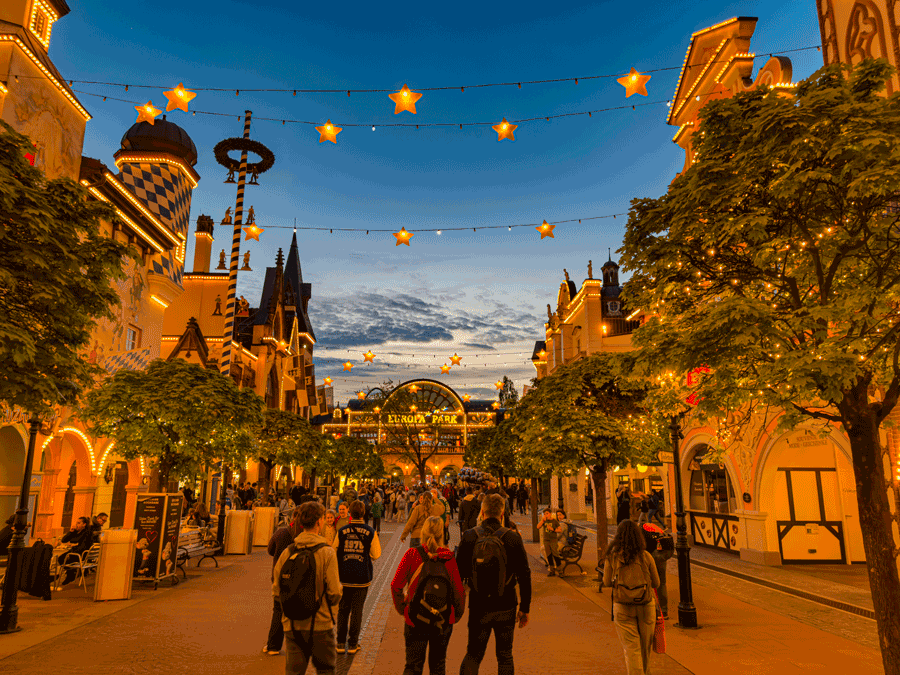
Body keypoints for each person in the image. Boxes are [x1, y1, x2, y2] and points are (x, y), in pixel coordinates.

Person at [456, 493, 532, 675]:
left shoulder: (470, 536)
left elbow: (459, 573)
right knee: (505, 655)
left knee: (474, 653)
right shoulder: (512, 537)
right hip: (506, 603)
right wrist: (525, 607)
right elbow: (524, 575)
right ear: (502, 513)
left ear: (482, 512)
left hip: (479, 604)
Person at [272, 501, 342, 675]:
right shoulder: (327, 553)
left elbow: (276, 589)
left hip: (293, 624)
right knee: (326, 670)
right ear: (319, 522)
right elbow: (334, 592)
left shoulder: (289, 552)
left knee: (294, 671)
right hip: (321, 624)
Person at [391, 516, 465, 675]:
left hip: (415, 617)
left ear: (423, 532)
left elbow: (396, 585)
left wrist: (403, 609)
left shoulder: (412, 554)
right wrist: (456, 615)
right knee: (438, 665)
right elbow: (459, 591)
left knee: (412, 666)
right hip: (443, 619)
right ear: (442, 534)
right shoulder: (448, 558)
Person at [603, 519, 660, 675]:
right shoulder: (646, 556)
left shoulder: (612, 556)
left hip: (622, 606)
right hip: (646, 605)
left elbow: (606, 582)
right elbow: (656, 582)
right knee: (645, 648)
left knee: (631, 648)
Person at [335, 500, 382, 654]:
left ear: (350, 513)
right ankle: (353, 643)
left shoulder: (342, 531)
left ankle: (340, 642)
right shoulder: (370, 531)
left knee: (343, 609)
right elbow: (376, 554)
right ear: (363, 513)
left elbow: (334, 550)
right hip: (362, 576)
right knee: (357, 610)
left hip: (344, 575)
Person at [266, 504, 303, 654]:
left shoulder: (281, 532)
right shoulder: (304, 536)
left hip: (280, 576)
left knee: (278, 610)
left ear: (292, 516)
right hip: (299, 577)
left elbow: (270, 550)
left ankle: (273, 646)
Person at [642, 522, 675, 620]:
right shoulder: (653, 527)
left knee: (649, 582)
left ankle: (653, 609)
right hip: (662, 553)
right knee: (662, 583)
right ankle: (664, 611)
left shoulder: (641, 530)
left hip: (653, 554)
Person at [57, 517, 94, 587]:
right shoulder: (76, 532)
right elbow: (64, 540)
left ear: (84, 524)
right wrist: (70, 532)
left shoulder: (87, 533)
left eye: (79, 523)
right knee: (60, 558)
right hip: (75, 552)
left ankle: (71, 575)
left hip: (81, 555)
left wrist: (73, 549)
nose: (76, 524)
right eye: (76, 523)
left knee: (65, 559)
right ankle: (71, 574)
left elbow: (83, 547)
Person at [539, 508, 563, 576]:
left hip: (553, 540)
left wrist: (553, 529)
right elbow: (538, 526)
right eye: (544, 514)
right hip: (546, 540)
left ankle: (560, 571)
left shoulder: (554, 521)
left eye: (547, 513)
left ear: (550, 514)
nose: (546, 515)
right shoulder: (544, 521)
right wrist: (542, 520)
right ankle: (552, 570)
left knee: (555, 555)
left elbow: (560, 530)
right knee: (549, 555)